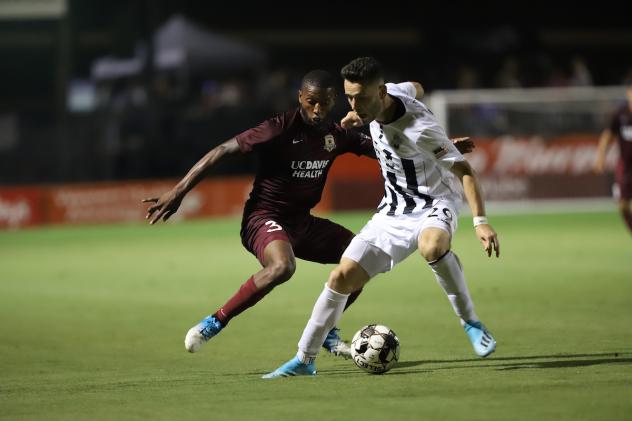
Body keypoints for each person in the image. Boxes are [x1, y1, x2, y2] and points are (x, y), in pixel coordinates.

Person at [142, 69, 474, 357]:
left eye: (325, 103)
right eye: (311, 101)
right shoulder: (278, 129)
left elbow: (389, 147)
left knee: (359, 262)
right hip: (263, 218)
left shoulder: (335, 135)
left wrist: (440, 148)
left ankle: (328, 332)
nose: (317, 110)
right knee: (283, 267)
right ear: (300, 97)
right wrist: (179, 191)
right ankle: (215, 321)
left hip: (303, 222)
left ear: (335, 101)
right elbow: (221, 151)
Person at [264, 57, 499, 378]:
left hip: (434, 201)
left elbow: (465, 171)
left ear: (381, 91)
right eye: (349, 97)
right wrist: (358, 114)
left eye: (361, 98)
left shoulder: (419, 128)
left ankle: (470, 322)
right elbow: (417, 87)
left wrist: (480, 221)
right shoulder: (388, 96)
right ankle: (304, 359)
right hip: (393, 210)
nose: (354, 104)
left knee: (431, 246)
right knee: (340, 279)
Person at [593, 85, 632, 235]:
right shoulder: (620, 114)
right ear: (628, 93)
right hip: (626, 166)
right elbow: (608, 135)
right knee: (622, 205)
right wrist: (600, 157)